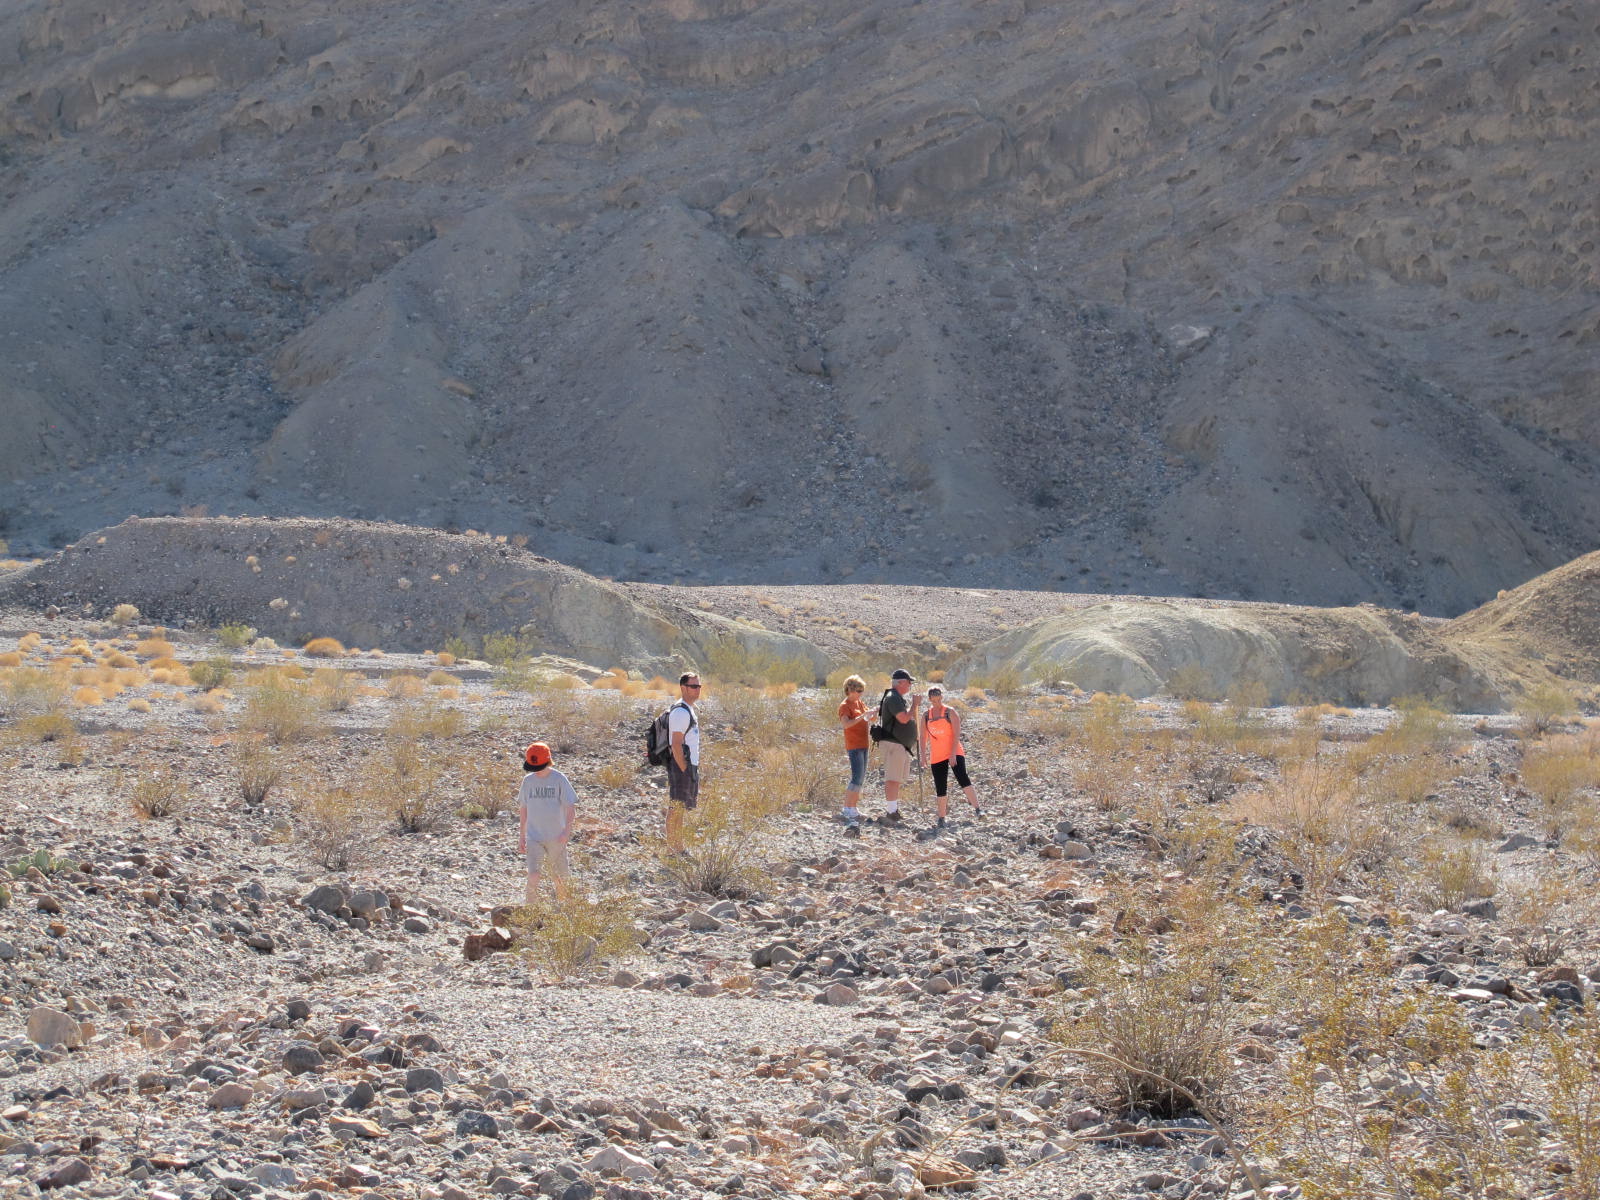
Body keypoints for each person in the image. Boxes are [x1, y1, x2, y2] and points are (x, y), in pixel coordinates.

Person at [516, 742, 576, 906]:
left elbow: (570, 807)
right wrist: (522, 836)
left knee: (560, 878)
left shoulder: (559, 779)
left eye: (540, 766)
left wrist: (566, 832)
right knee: (534, 875)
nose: (536, 770)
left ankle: (565, 909)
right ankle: (530, 909)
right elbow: (524, 809)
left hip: (556, 837)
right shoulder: (528, 781)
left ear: (548, 761)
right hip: (534, 837)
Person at [918, 685, 981, 830]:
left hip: (954, 750)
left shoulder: (950, 712)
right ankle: (941, 817)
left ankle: (978, 809)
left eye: (939, 699)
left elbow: (957, 733)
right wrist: (923, 756)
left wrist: (953, 754)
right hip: (937, 754)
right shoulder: (926, 716)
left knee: (962, 777)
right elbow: (923, 737)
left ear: (942, 697)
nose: (937, 703)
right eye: (934, 700)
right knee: (940, 785)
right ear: (930, 699)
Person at [876, 668, 920, 826]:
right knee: (893, 778)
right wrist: (915, 705)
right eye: (908, 682)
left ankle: (893, 809)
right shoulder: (893, 697)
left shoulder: (897, 698)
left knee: (897, 778)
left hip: (899, 744)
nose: (910, 685)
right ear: (900, 683)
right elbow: (903, 718)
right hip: (893, 744)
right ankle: (891, 811)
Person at [665, 671, 703, 853]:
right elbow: (676, 743)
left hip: (688, 765)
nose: (697, 690)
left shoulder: (688, 709)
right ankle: (673, 849)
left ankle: (677, 847)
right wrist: (684, 768)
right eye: (693, 686)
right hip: (681, 766)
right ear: (683, 687)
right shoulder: (681, 712)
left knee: (680, 807)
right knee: (676, 807)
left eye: (698, 686)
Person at [838, 674, 871, 836]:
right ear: (850, 690)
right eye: (858, 690)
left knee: (861, 778)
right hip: (854, 745)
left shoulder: (859, 702)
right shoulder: (845, 706)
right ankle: (847, 807)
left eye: (862, 690)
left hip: (864, 744)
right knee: (856, 777)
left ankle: (853, 807)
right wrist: (861, 717)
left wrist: (872, 714)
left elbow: (867, 717)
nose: (860, 693)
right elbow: (846, 724)